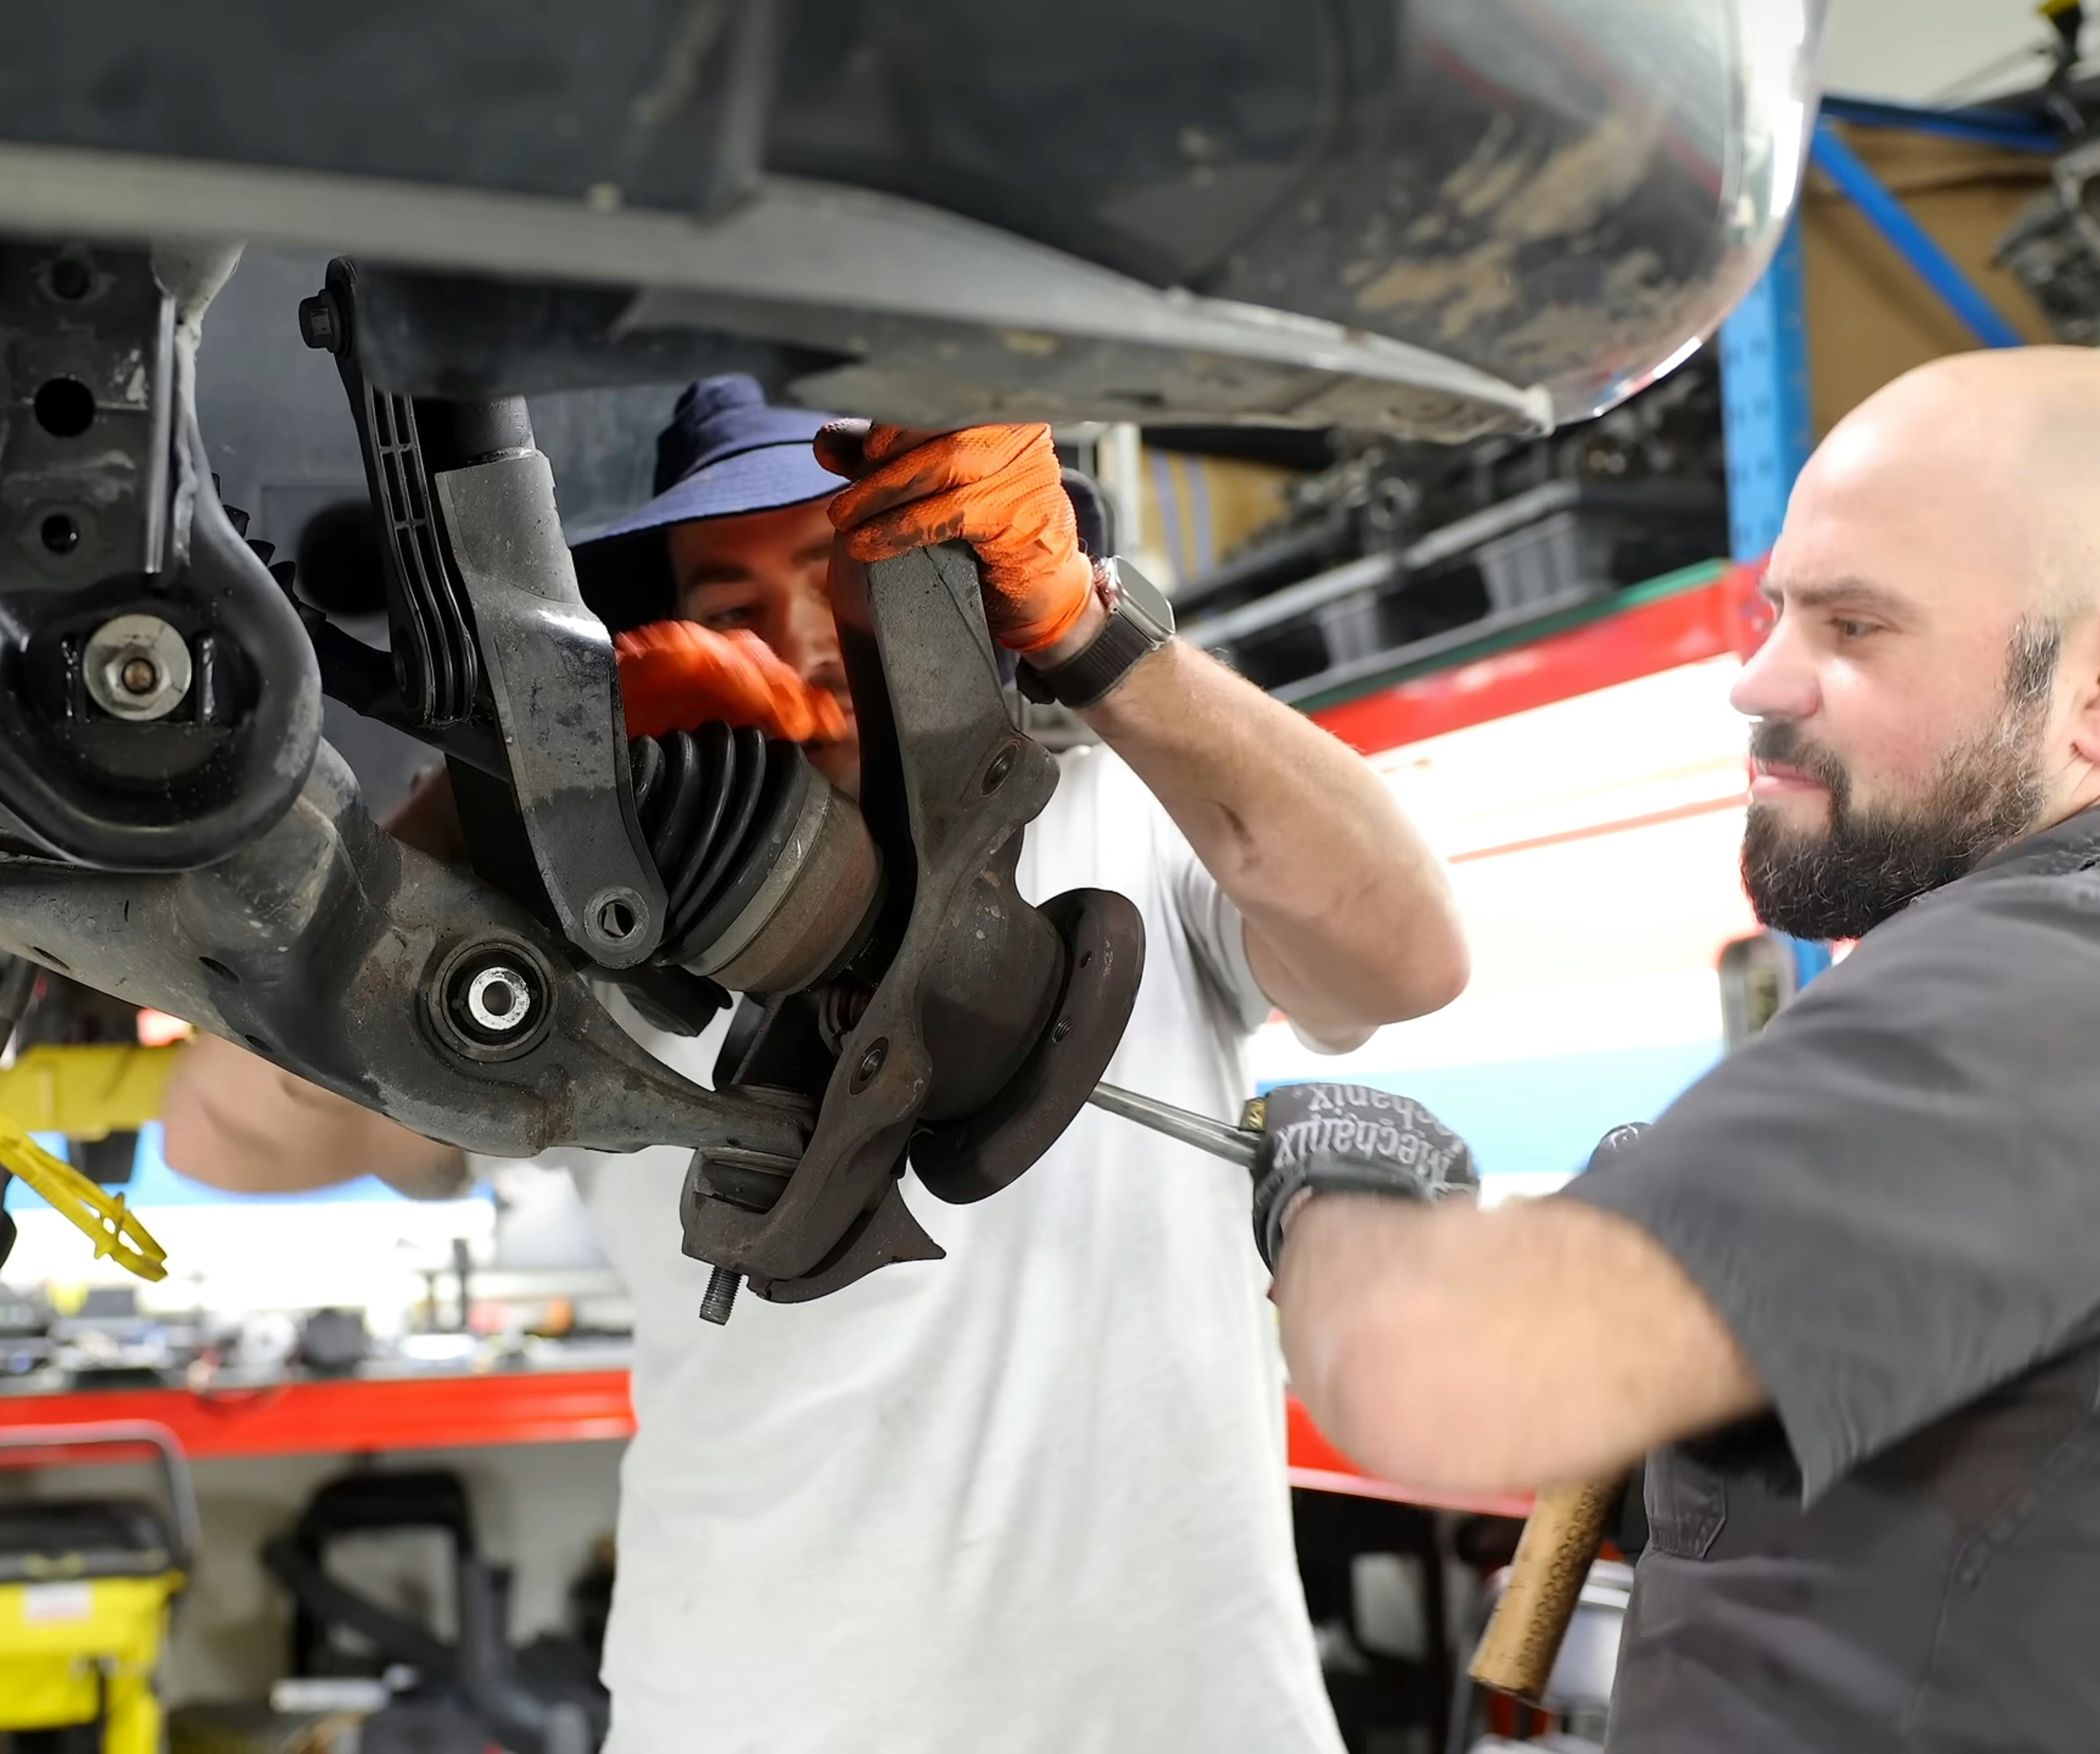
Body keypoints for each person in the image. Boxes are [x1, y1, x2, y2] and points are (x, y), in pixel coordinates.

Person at [163, 376, 1469, 1751]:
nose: (794, 636)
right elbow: (227, 1134)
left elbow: (1407, 958)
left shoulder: (1127, 811)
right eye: (728, 601)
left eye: (841, 569)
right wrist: (500, 805)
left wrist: (1095, 634)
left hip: (1179, 1714)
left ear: (966, 568)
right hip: (762, 1711)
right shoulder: (594, 922)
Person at [1255, 347, 2100, 1748]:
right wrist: (1713, 1402)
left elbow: (1437, 1371)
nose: (1758, 679)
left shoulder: (2079, 976)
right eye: (1774, 615)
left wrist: (1339, 1191)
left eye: (1853, 628)